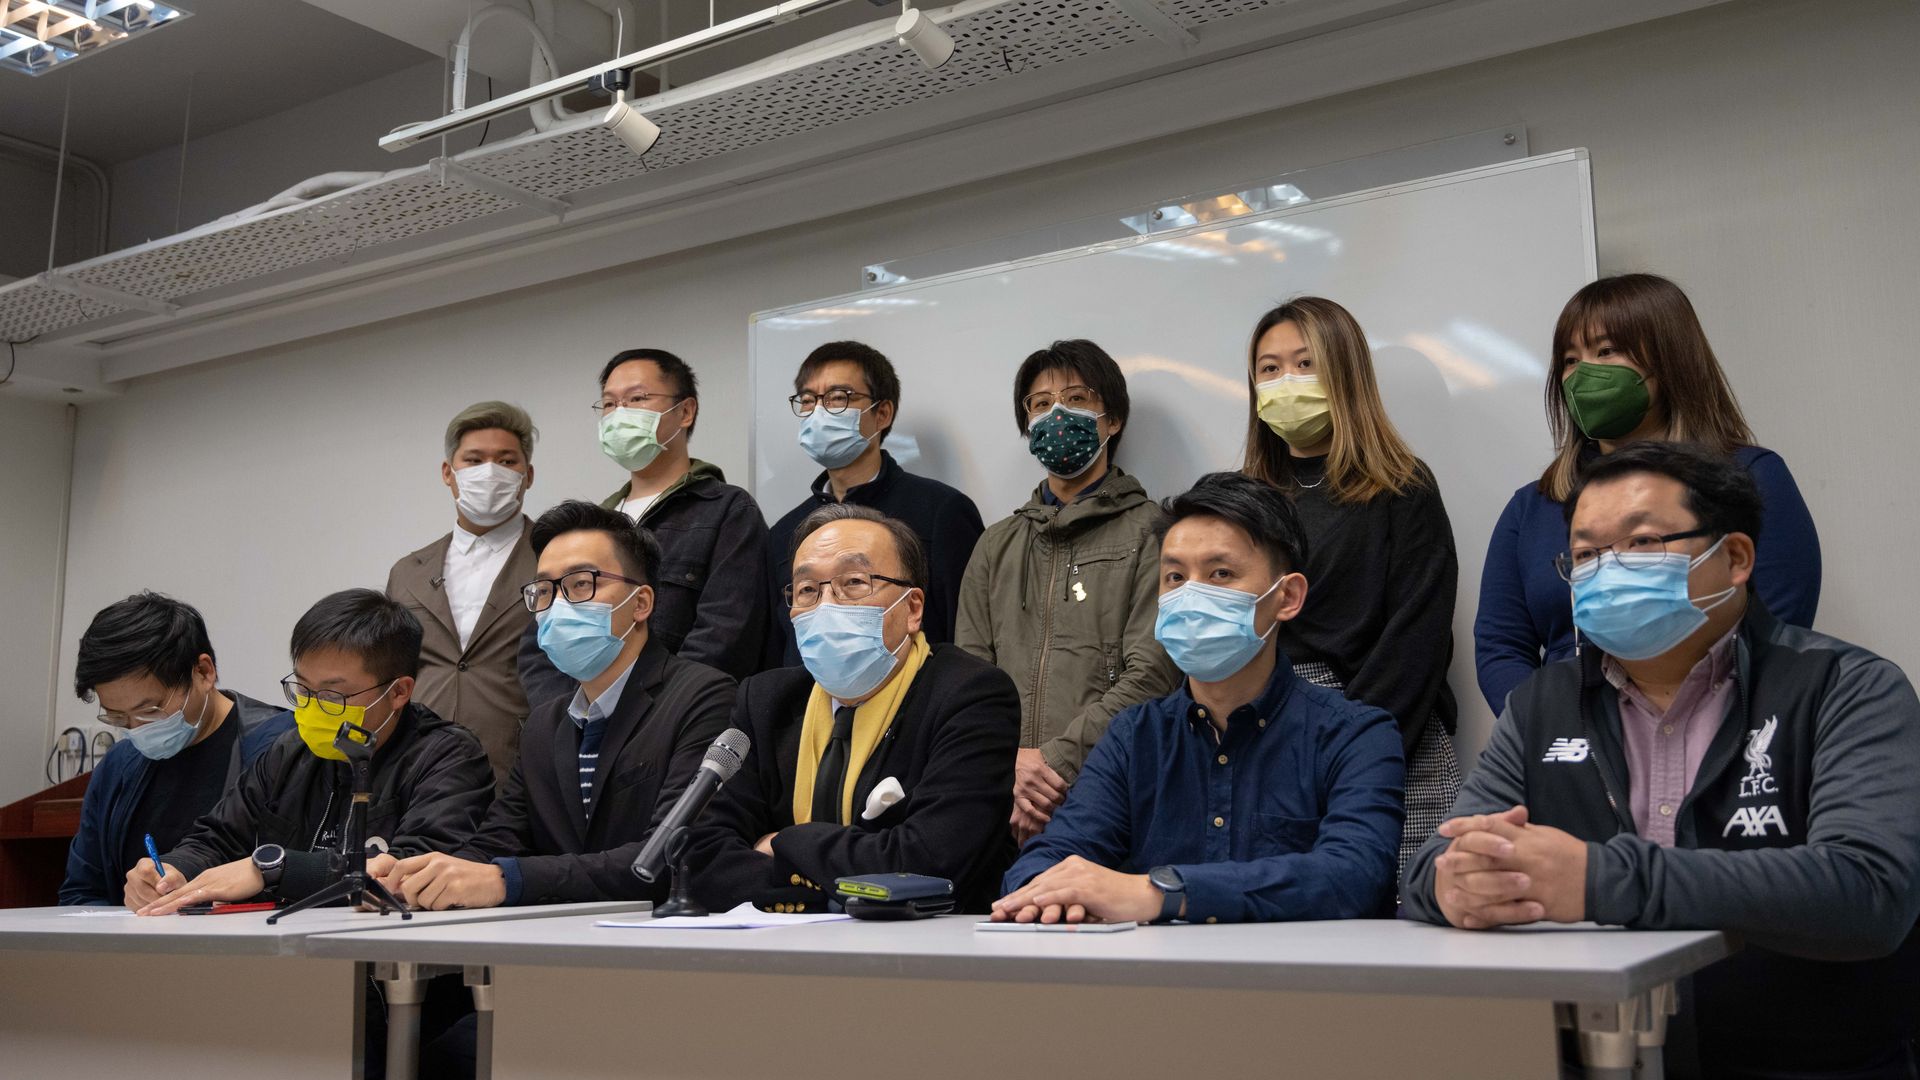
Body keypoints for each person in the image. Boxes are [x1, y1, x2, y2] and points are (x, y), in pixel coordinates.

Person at [1407, 442, 1920, 1077]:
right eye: (1588, 554)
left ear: (1733, 557)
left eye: (1643, 542)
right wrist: (1453, 884)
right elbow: (1434, 863)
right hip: (1590, 1059)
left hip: (1804, 1063)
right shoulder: (1542, 703)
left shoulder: (1847, 687)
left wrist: (1600, 880)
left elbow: (1869, 891)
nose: (1609, 570)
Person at [994, 473, 1403, 924]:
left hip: (1306, 988)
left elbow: (1356, 876)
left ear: (1287, 596)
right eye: (1174, 576)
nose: (1190, 594)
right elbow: (1043, 864)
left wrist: (1158, 894)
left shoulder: (1357, 734)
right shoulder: (1133, 736)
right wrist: (1057, 895)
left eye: (1220, 574)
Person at [1475, 273, 1822, 714]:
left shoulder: (1751, 477)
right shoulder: (1531, 506)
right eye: (1569, 360)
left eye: (1606, 352)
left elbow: (1780, 628)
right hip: (1570, 740)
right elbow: (1500, 646)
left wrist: (1679, 725)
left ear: (1669, 359)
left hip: (1720, 730)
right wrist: (1548, 728)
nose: (1584, 375)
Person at [380, 501, 734, 909]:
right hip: (562, 942)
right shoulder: (545, 723)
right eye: (544, 590)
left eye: (582, 583)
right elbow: (497, 841)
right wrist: (413, 875)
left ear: (641, 603)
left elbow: (668, 854)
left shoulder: (702, 697)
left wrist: (507, 880)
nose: (559, 604)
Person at [688, 504, 1020, 914]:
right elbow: (701, 858)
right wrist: (827, 887)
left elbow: (929, 863)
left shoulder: (969, 695)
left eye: (854, 582)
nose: (827, 605)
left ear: (913, 608)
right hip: (785, 955)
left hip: (932, 956)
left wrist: (784, 842)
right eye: (808, 590)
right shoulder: (766, 701)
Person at [1240, 297, 1460, 881]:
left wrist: (1343, 750)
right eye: (1269, 368)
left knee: (1400, 940)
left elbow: (1417, 640)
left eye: (1305, 363)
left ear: (1345, 373)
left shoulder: (1401, 486)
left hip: (1388, 741)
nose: (1286, 381)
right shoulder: (1240, 502)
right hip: (1261, 745)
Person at [130, 588, 493, 914]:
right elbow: (218, 836)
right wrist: (174, 871)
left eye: (333, 695)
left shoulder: (449, 758)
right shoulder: (290, 750)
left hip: (388, 967)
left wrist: (273, 867)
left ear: (399, 692)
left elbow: (408, 874)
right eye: (303, 690)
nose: (313, 708)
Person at [955, 339, 1179, 845]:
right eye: (1040, 404)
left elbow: (1155, 672)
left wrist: (1052, 763)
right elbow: (969, 678)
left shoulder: (1157, 532)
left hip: (1113, 787)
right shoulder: (995, 543)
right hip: (1002, 796)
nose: (1056, 414)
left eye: (1076, 399)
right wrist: (1009, 769)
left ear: (1112, 418)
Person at [519, 348, 770, 705]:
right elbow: (539, 640)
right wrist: (568, 714)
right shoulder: (588, 527)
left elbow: (726, 634)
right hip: (580, 724)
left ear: (685, 411)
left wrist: (650, 713)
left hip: (679, 720)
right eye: (608, 404)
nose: (619, 414)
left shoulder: (726, 511)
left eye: (637, 398)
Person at [60, 593, 292, 907]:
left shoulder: (280, 746)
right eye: (118, 716)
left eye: (150, 710)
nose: (138, 728)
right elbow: (82, 893)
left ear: (204, 672)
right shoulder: (119, 766)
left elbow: (298, 873)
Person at [764, 340, 984, 666]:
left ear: (882, 413)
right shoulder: (785, 532)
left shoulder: (942, 511)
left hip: (916, 705)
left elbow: (967, 636)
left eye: (838, 398)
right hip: (810, 708)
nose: (820, 411)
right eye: (809, 400)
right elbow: (778, 648)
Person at [387, 400, 539, 785]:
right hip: (418, 768)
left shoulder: (557, 560)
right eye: (474, 460)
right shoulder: (408, 572)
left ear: (529, 475)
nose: (490, 472)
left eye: (507, 461)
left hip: (522, 765)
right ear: (448, 473)